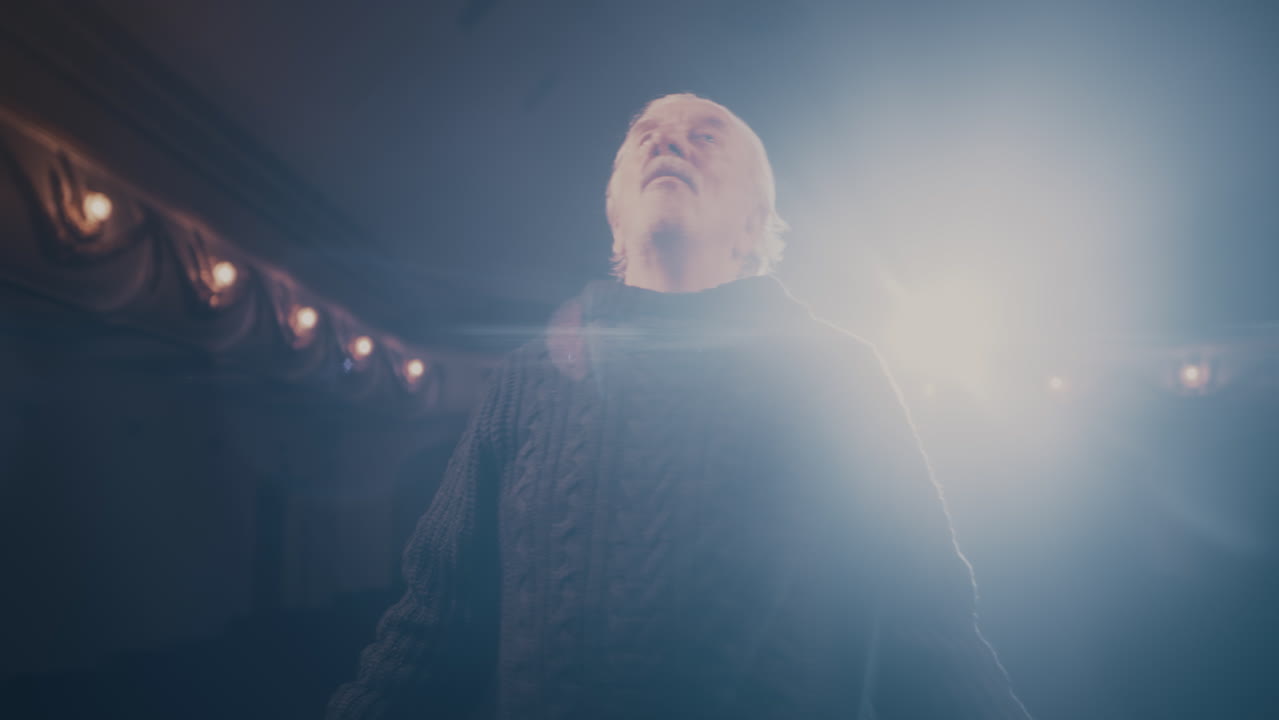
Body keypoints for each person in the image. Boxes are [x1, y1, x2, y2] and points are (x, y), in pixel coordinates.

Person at [327, 93, 1032, 719]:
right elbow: (430, 630)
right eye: (648, 135)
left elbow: (932, 640)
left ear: (755, 223)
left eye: (705, 136)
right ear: (615, 216)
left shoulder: (837, 375)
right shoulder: (528, 382)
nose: (668, 142)